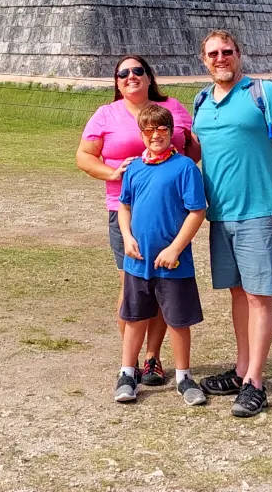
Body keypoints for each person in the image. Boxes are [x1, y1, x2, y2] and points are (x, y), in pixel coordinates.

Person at [192, 29, 272, 417]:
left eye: (227, 51)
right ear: (203, 60)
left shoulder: (264, 92)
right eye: (212, 54)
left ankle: (255, 380)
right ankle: (241, 370)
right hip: (220, 213)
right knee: (237, 293)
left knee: (258, 295)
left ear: (239, 54)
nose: (220, 58)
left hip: (259, 211)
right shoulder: (202, 100)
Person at [76, 55, 197, 386]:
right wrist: (113, 172)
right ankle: (127, 362)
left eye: (137, 71)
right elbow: (84, 157)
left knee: (163, 285)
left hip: (170, 211)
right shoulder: (106, 114)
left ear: (149, 77)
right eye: (123, 73)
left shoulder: (173, 107)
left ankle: (152, 358)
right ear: (116, 82)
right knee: (131, 287)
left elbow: (192, 151)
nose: (131, 76)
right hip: (124, 210)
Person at [114, 103, 208, 406]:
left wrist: (175, 248)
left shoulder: (184, 169)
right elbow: (124, 206)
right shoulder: (135, 168)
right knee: (134, 318)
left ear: (172, 133)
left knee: (178, 321)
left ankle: (183, 376)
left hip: (174, 263)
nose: (156, 135)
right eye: (149, 130)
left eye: (162, 129)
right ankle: (127, 372)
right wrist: (127, 237)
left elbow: (197, 211)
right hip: (137, 260)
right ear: (142, 135)